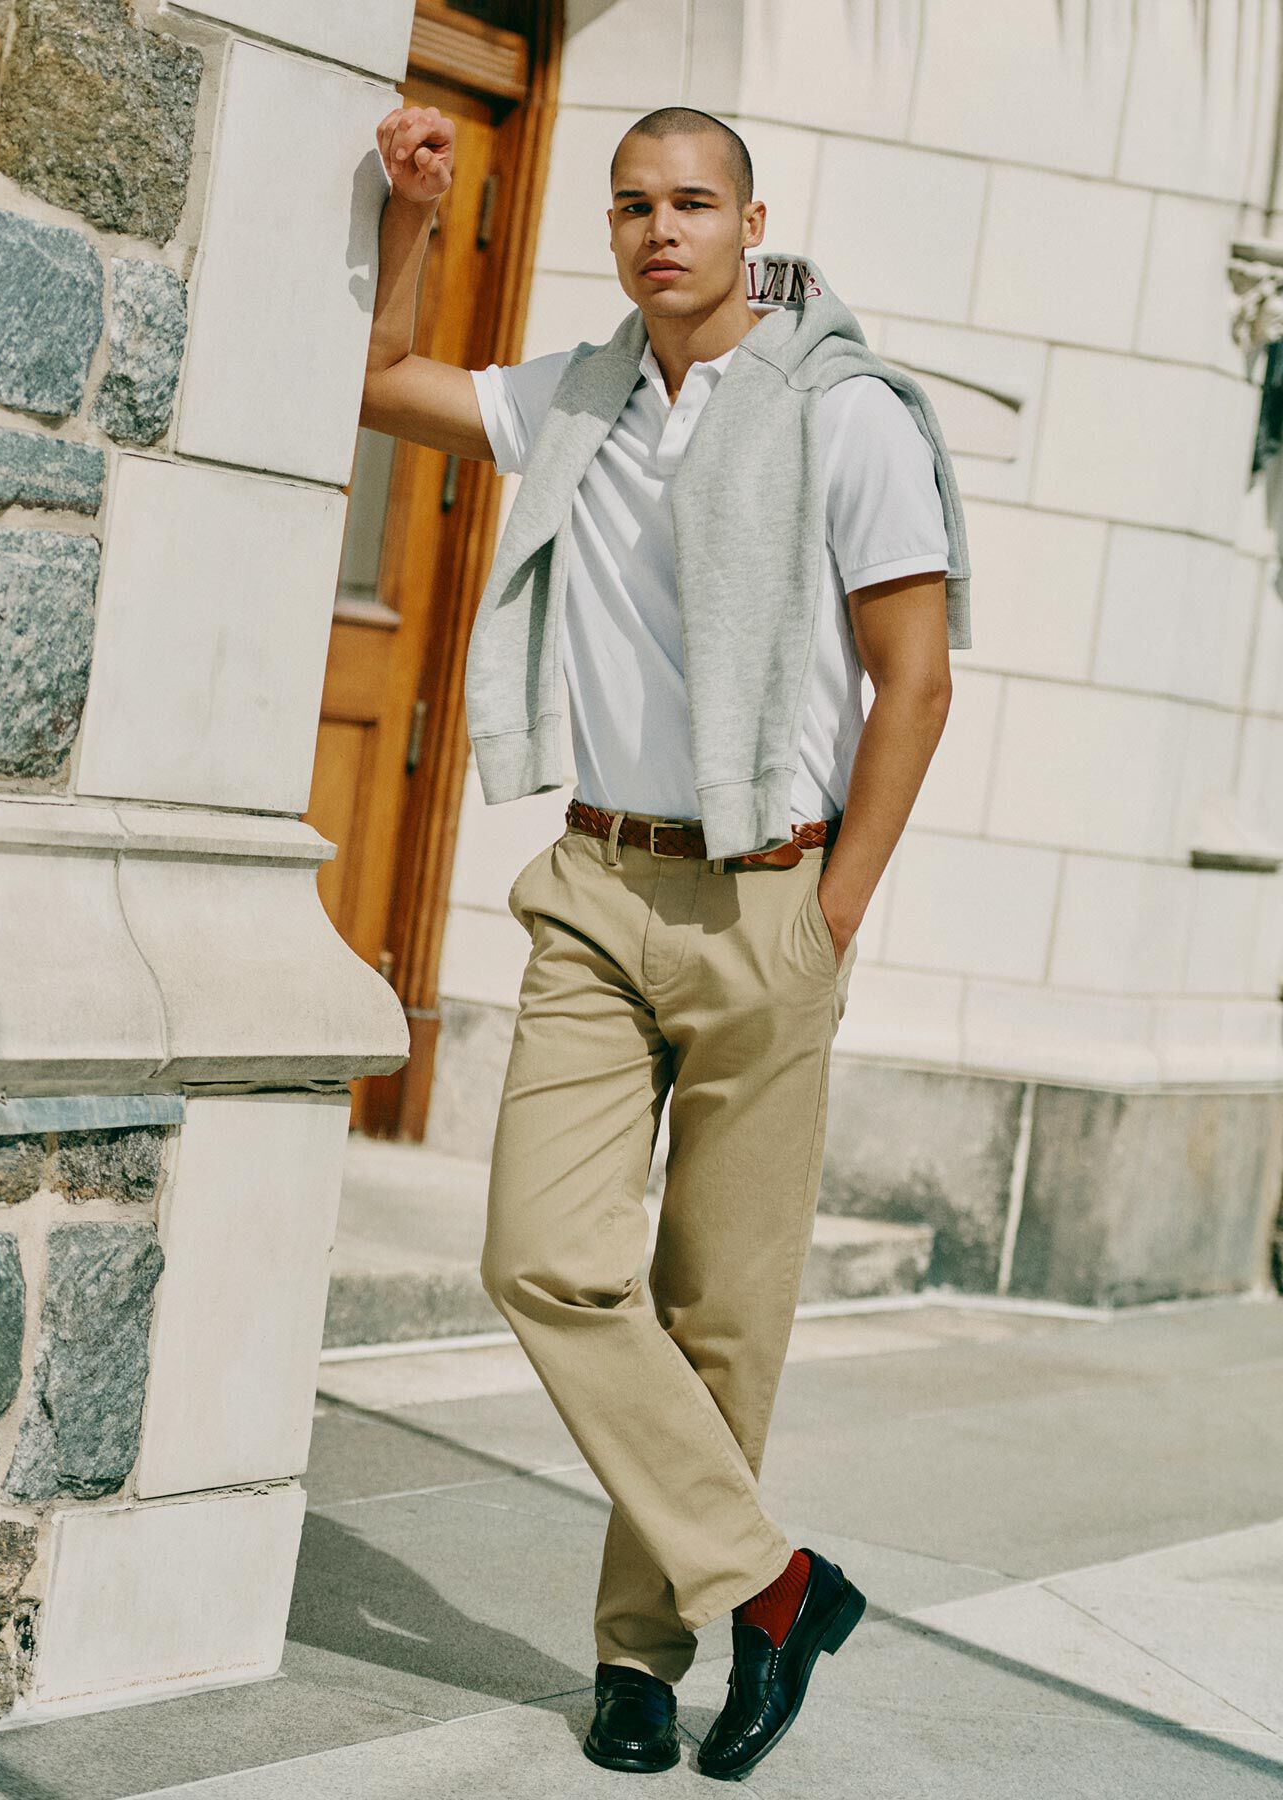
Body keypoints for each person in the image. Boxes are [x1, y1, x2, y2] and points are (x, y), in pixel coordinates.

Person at [362, 100, 961, 1782]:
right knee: (544, 1256)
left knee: (721, 1315)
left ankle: (644, 1657)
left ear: (751, 216)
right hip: (602, 894)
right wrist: (413, 215)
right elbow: (381, 377)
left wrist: (829, 919)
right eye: (633, 207)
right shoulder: (579, 395)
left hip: (773, 895)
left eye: (692, 203)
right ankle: (776, 1584)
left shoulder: (844, 418)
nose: (661, 233)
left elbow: (914, 681)